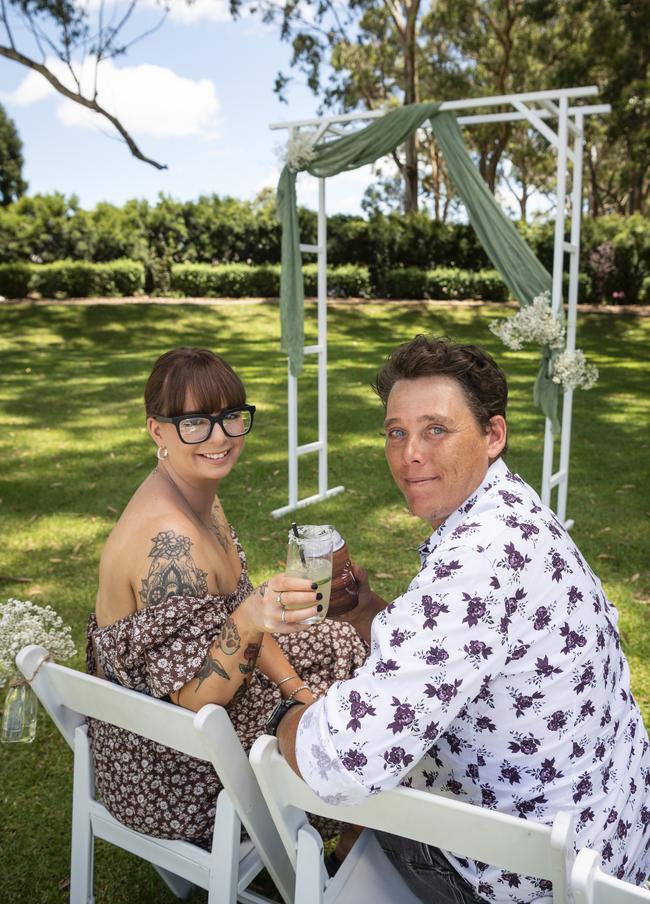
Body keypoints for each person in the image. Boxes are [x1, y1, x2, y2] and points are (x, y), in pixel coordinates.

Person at [274, 335, 650, 904]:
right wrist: (371, 612)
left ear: (492, 435)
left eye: (435, 430)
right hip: (613, 839)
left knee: (366, 790)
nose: (409, 455)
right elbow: (467, 644)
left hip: (534, 880)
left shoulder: (477, 563)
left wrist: (285, 715)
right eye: (396, 432)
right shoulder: (514, 509)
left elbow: (347, 762)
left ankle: (346, 873)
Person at [87, 346, 367, 848]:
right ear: (158, 430)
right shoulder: (168, 545)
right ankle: (360, 830)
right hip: (174, 776)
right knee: (355, 720)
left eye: (231, 418)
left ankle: (356, 823)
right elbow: (197, 700)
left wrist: (294, 686)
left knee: (341, 643)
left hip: (175, 731)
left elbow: (233, 614)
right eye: (195, 422)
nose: (220, 437)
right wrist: (251, 619)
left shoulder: (195, 492)